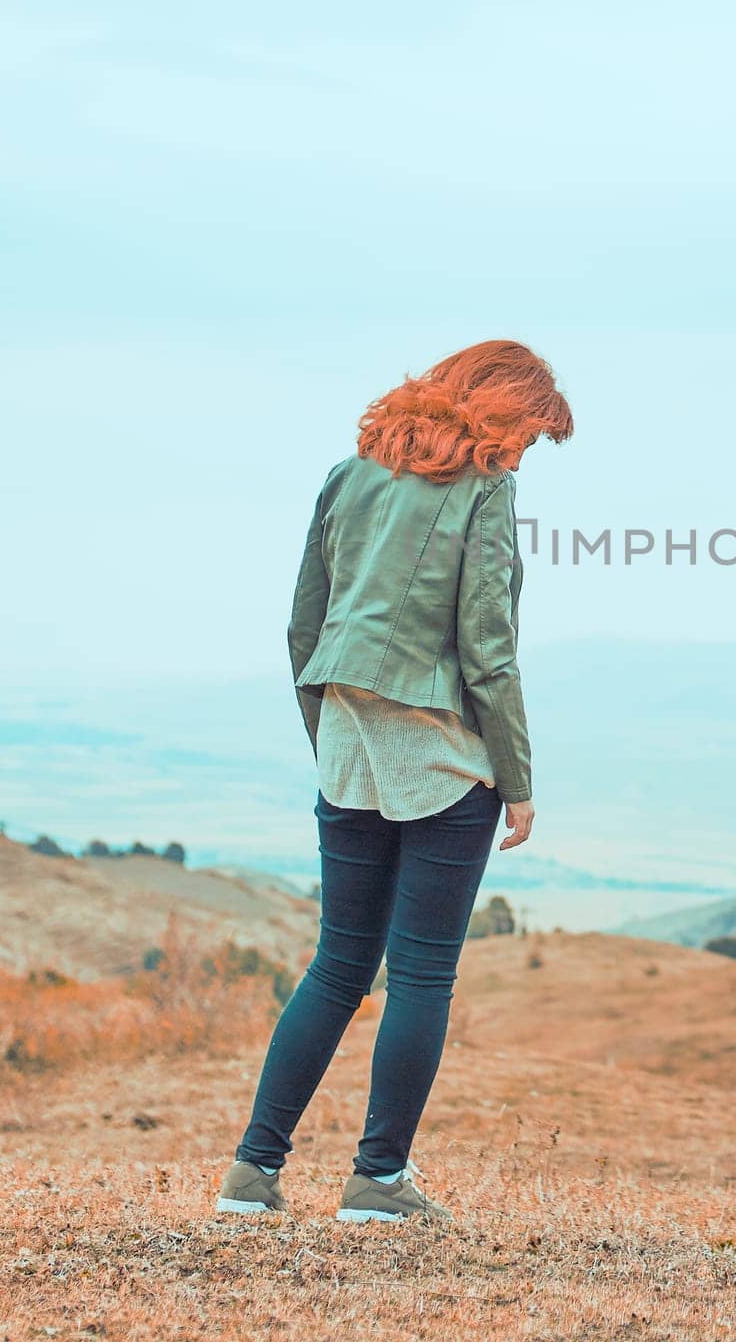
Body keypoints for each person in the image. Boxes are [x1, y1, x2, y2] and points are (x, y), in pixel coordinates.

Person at [215, 339, 573, 1223]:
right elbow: (488, 646)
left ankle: (251, 1178)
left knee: (339, 962)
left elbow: (306, 619)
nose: (526, 456)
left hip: (347, 737)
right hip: (442, 751)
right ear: (498, 410)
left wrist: (330, 733)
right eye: (528, 435)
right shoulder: (487, 491)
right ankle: (377, 1182)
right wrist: (517, 778)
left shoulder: (350, 472)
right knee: (420, 976)